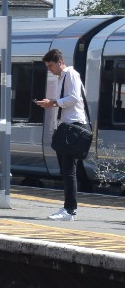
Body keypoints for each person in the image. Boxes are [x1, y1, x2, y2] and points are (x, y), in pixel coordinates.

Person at [35, 48, 87, 221]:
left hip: (73, 126)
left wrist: (54, 103)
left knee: (69, 170)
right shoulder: (60, 78)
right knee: (66, 170)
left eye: (50, 65)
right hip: (65, 126)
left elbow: (74, 98)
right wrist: (52, 103)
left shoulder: (71, 74)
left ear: (59, 62)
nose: (49, 69)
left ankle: (70, 210)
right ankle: (68, 208)